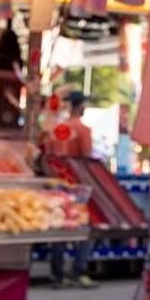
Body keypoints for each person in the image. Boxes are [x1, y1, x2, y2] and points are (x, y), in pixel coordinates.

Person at [42, 91, 96, 289]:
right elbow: (86, 157)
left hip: (57, 183)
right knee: (83, 228)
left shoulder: (56, 129)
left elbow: (47, 153)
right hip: (77, 184)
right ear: (80, 107)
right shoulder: (83, 130)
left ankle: (57, 274)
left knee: (60, 228)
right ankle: (79, 271)